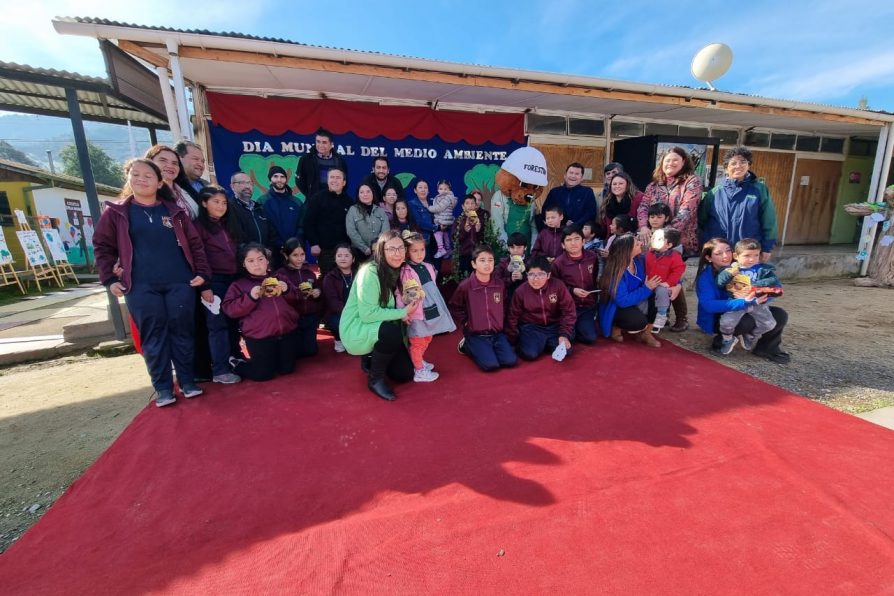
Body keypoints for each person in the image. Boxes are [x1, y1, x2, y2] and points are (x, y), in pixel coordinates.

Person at [93, 158, 211, 407]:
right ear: (128, 179)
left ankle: (188, 382)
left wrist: (202, 272)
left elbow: (196, 245)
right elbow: (102, 247)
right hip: (140, 285)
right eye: (135, 175)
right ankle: (163, 388)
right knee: (153, 337)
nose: (141, 179)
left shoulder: (174, 212)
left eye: (148, 176)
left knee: (182, 333)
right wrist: (110, 278)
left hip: (179, 282)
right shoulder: (116, 213)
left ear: (159, 183)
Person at [339, 231, 421, 401]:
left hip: (378, 325)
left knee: (404, 374)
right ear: (381, 251)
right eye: (391, 249)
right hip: (357, 327)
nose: (397, 253)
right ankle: (375, 379)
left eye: (401, 248)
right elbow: (368, 314)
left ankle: (371, 357)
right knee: (391, 333)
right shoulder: (370, 272)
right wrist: (402, 313)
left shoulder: (397, 271)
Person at [696, 238, 791, 363]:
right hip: (720, 315)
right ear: (709, 258)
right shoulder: (705, 277)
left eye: (728, 251)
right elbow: (709, 305)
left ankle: (767, 348)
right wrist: (744, 301)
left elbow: (776, 286)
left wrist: (758, 292)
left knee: (780, 315)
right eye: (718, 253)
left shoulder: (746, 263)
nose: (725, 256)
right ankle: (721, 342)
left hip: (752, 304)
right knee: (746, 321)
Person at [222, 244, 300, 381]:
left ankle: (273, 361)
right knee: (263, 374)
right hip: (260, 337)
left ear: (267, 260)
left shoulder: (280, 278)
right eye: (250, 261)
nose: (257, 264)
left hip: (287, 332)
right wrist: (250, 297)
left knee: (287, 370)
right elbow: (229, 309)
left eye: (260, 259)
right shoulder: (239, 285)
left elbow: (298, 297)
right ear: (244, 264)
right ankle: (236, 363)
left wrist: (288, 290)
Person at [194, 185, 243, 384]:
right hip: (214, 281)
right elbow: (197, 257)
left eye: (224, 202)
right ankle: (220, 369)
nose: (221, 206)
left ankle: (235, 357)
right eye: (216, 202)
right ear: (204, 203)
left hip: (234, 278)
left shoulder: (228, 224)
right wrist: (204, 286)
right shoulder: (198, 226)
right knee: (217, 325)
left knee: (233, 321)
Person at [395, 233, 456, 382]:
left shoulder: (428, 266)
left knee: (428, 336)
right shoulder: (405, 271)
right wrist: (403, 312)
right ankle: (419, 370)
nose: (419, 254)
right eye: (414, 251)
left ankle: (419, 360)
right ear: (407, 252)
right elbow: (400, 293)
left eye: (421, 250)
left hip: (431, 307)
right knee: (418, 340)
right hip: (416, 311)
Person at [699, 147, 778, 262]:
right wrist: (707, 245)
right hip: (721, 253)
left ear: (749, 165)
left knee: (744, 280)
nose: (738, 166)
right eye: (733, 163)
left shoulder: (759, 190)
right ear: (726, 168)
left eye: (743, 162)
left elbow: (769, 220)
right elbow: (701, 221)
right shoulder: (714, 193)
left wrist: (767, 247)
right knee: (719, 279)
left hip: (747, 253)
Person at [450, 245, 518, 372]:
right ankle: (467, 345)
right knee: (491, 365)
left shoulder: (499, 284)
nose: (487, 264)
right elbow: (455, 306)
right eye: (482, 260)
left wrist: (501, 322)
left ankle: (490, 347)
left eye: (490, 260)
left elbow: (504, 304)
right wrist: (466, 323)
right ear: (474, 264)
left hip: (497, 333)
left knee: (510, 361)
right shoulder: (465, 286)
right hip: (477, 334)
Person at [714, 238, 783, 354]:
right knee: (726, 323)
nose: (752, 259)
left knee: (770, 324)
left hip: (757, 303)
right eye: (747, 256)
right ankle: (728, 339)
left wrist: (755, 285)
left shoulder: (762, 269)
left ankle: (750, 336)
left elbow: (773, 280)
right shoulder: (730, 269)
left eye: (756, 255)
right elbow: (719, 282)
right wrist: (729, 274)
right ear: (736, 256)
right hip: (738, 303)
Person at [637, 146, 703, 258]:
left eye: (675, 160)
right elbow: (643, 207)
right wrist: (643, 227)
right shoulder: (653, 186)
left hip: (681, 244)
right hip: (653, 242)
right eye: (667, 160)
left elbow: (686, 212)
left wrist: (663, 234)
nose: (670, 163)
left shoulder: (692, 182)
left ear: (684, 162)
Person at [597, 233, 661, 347]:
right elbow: (622, 301)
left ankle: (646, 333)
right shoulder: (615, 270)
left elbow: (664, 268)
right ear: (627, 251)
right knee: (637, 321)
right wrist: (646, 288)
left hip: (637, 299)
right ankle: (615, 325)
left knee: (661, 296)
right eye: (637, 244)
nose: (641, 243)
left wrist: (676, 284)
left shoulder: (640, 260)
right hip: (618, 306)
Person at [507, 255, 576, 361]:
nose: (536, 279)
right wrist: (512, 339)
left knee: (566, 351)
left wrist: (564, 334)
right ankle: (540, 344)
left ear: (548, 275)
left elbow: (569, 311)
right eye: (531, 275)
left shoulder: (558, 286)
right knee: (529, 354)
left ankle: (546, 343)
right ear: (526, 275)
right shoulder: (520, 291)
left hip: (554, 326)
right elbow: (513, 316)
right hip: (532, 327)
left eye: (541, 274)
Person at [551, 225, 599, 344]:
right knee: (569, 337)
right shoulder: (558, 263)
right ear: (563, 245)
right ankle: (570, 328)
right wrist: (572, 290)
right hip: (567, 307)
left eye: (576, 239)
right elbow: (554, 287)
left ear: (583, 241)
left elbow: (594, 277)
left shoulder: (592, 257)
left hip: (586, 306)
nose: (573, 243)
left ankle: (578, 327)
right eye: (568, 240)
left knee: (591, 338)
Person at [277, 238, 324, 358]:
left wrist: (317, 292)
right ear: (286, 256)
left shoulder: (310, 273)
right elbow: (281, 298)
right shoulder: (281, 274)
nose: (299, 258)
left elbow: (319, 289)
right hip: (292, 319)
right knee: (294, 353)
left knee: (310, 351)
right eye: (295, 255)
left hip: (310, 317)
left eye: (302, 254)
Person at [647, 202, 688, 332]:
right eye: (652, 216)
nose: (655, 220)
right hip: (650, 275)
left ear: (666, 218)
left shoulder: (671, 235)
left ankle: (681, 318)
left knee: (673, 288)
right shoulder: (643, 234)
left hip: (667, 276)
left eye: (659, 217)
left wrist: (674, 283)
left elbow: (678, 267)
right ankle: (660, 316)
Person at [303, 167, 353, 275]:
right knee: (327, 281)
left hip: (344, 250)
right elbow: (308, 222)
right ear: (327, 180)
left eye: (338, 178)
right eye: (332, 177)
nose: (335, 180)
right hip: (324, 250)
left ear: (344, 182)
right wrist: (313, 243)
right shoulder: (317, 198)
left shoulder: (349, 201)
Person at [228, 171, 280, 255]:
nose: (248, 186)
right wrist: (254, 252)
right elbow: (234, 238)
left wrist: (269, 249)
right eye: (242, 183)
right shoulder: (229, 208)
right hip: (244, 259)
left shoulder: (259, 208)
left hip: (264, 258)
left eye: (250, 183)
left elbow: (272, 234)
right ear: (232, 187)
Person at [145, 144, 199, 219]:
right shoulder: (146, 195)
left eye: (174, 163)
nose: (170, 166)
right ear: (149, 163)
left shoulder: (186, 190)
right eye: (163, 160)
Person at [261, 165, 303, 259]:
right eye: (275, 176)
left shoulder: (297, 202)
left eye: (282, 177)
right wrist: (279, 245)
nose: (279, 180)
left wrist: (296, 243)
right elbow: (264, 227)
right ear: (270, 179)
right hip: (273, 251)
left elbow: (302, 225)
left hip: (295, 251)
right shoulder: (262, 201)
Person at [539, 163, 597, 229]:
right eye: (571, 173)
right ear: (565, 175)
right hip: (557, 230)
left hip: (578, 231)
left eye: (577, 174)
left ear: (581, 178)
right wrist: (563, 221)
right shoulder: (554, 192)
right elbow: (545, 211)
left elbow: (591, 213)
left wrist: (575, 225)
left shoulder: (587, 192)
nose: (573, 176)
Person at [321, 244, 356, 353]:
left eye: (346, 255)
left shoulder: (359, 274)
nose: (343, 258)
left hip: (358, 311)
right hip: (338, 313)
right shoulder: (329, 277)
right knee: (336, 321)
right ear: (335, 258)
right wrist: (350, 312)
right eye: (339, 255)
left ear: (353, 258)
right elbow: (333, 303)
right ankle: (339, 339)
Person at [296, 128, 349, 199]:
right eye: (318, 142)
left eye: (324, 142)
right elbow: (299, 181)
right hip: (313, 202)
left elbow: (344, 182)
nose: (320, 145)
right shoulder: (306, 159)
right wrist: (311, 195)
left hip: (335, 201)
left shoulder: (340, 161)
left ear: (331, 144)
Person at [346, 183, 391, 260]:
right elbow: (351, 231)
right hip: (359, 252)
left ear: (372, 193)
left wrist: (377, 245)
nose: (365, 194)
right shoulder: (353, 210)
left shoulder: (380, 210)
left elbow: (386, 230)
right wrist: (364, 248)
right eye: (362, 192)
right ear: (358, 195)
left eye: (368, 191)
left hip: (378, 252)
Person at [454, 193, 490, 276]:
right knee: (464, 278)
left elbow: (487, 238)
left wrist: (479, 230)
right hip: (463, 254)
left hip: (477, 255)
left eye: (472, 203)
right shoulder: (458, 221)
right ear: (463, 206)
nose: (470, 206)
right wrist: (464, 231)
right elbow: (454, 239)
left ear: (475, 205)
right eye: (467, 203)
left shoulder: (481, 219)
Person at [601, 171, 644, 241]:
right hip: (612, 240)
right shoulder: (607, 202)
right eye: (614, 184)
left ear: (627, 185)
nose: (617, 186)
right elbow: (605, 226)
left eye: (621, 184)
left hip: (633, 239)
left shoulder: (638, 198)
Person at [427, 179, 457, 259]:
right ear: (437, 189)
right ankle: (448, 249)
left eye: (445, 189)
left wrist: (429, 208)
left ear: (449, 189)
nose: (443, 191)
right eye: (440, 189)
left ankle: (441, 249)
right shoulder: (448, 197)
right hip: (446, 219)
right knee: (445, 234)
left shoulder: (447, 198)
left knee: (436, 231)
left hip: (442, 220)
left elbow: (440, 208)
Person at [495, 232, 528, 304]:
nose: (515, 250)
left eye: (519, 247)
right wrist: (510, 279)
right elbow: (496, 281)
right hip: (507, 300)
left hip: (526, 299)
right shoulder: (502, 263)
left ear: (525, 247)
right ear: (508, 248)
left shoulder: (530, 262)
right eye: (512, 247)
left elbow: (536, 279)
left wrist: (523, 277)